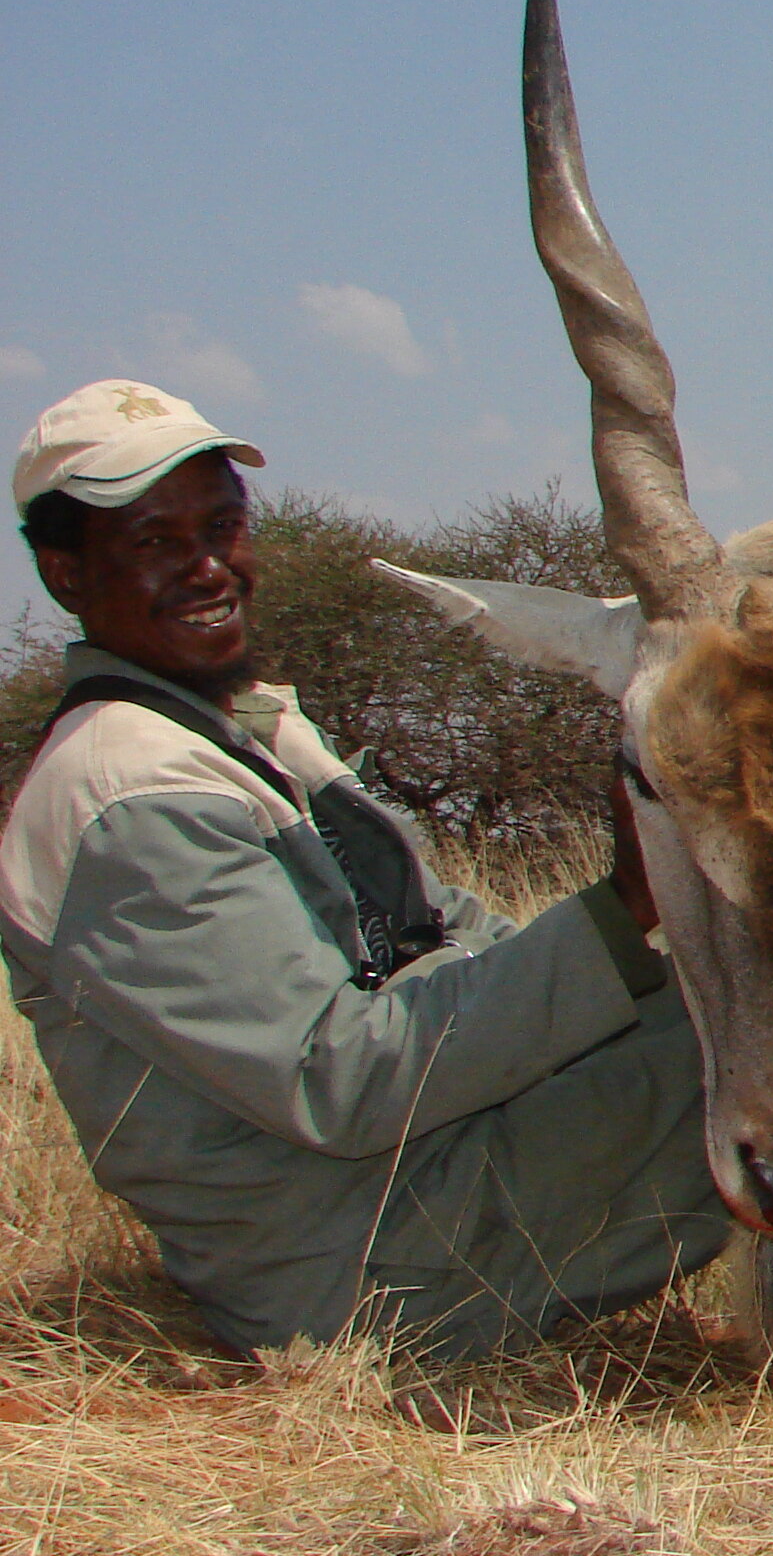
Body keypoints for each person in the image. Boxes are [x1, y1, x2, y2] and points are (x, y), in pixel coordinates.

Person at [0, 379, 724, 1360]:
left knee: (756, 995)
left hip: (419, 1165)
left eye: (222, 526)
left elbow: (439, 924)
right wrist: (628, 902)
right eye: (156, 544)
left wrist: (650, 945)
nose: (210, 569)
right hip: (361, 1268)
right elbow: (340, 1078)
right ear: (65, 575)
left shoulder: (244, 721)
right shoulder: (126, 799)